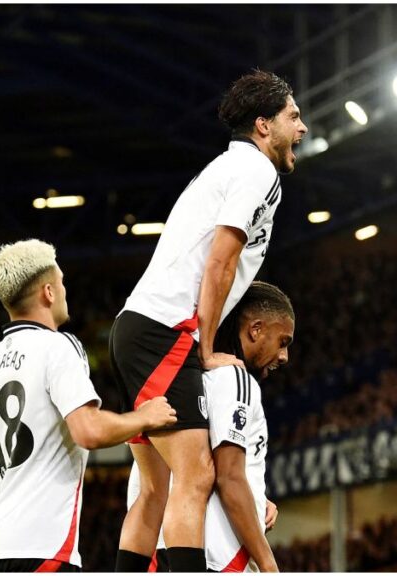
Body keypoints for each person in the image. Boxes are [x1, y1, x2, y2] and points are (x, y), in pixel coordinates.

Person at [111, 69, 307, 572]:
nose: (302, 128)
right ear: (263, 125)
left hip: (138, 325)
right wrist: (203, 345)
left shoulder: (227, 167)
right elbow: (222, 259)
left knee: (156, 487)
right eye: (293, 116)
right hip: (165, 330)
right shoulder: (258, 173)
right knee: (194, 476)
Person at [0, 239, 177, 572]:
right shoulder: (57, 347)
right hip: (44, 544)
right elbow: (88, 431)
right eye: (61, 283)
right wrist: (143, 417)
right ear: (48, 292)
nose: (63, 290)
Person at [204, 281, 293, 572]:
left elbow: (208, 462)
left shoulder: (199, 377)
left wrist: (256, 498)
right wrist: (268, 564)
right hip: (223, 555)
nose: (284, 356)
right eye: (283, 341)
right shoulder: (235, 380)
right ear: (255, 330)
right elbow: (229, 479)